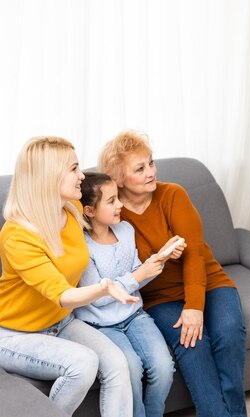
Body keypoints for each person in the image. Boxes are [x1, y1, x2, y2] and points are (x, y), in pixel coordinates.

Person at [100, 130, 248, 417]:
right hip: (159, 298)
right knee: (192, 342)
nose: (151, 172)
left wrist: (194, 306)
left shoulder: (173, 194)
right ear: (118, 179)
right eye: (139, 168)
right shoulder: (113, 212)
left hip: (209, 282)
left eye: (151, 163)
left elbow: (193, 253)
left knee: (229, 332)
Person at [0, 136, 136, 416]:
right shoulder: (17, 236)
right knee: (83, 363)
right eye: (74, 169)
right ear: (49, 177)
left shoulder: (71, 212)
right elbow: (62, 295)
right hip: (14, 334)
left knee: (117, 363)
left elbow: (111, 216)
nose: (82, 175)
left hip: (61, 322)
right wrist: (103, 288)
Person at [75, 172, 184, 417]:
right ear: (90, 211)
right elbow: (98, 296)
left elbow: (137, 275)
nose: (120, 205)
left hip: (134, 315)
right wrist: (139, 275)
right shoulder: (81, 246)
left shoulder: (125, 230)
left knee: (164, 367)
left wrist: (159, 259)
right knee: (131, 370)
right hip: (101, 325)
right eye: (112, 201)